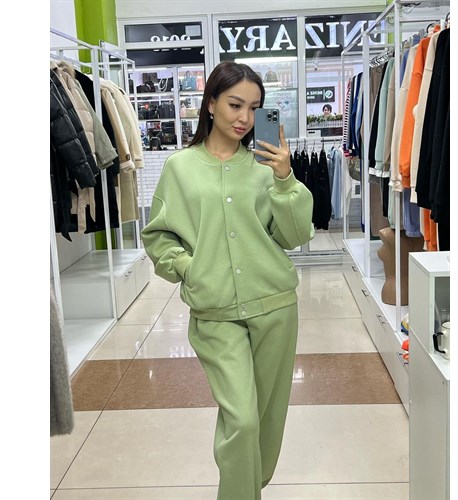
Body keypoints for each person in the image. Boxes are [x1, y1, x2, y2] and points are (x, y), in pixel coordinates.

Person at [141, 61, 314, 500]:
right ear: (211, 103)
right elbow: (158, 236)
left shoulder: (265, 167)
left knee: (268, 422)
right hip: (215, 312)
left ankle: (248, 489)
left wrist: (285, 179)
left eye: (254, 108)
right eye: (235, 105)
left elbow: (294, 236)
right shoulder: (180, 167)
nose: (245, 118)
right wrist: (189, 268)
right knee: (242, 421)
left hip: (275, 306)